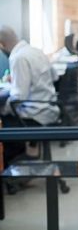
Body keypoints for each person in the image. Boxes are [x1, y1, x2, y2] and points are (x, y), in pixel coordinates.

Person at [0, 25, 60, 167]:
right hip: (50, 109)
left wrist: (3, 109)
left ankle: (13, 168)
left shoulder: (18, 58)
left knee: (4, 122)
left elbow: (18, 97)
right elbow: (55, 77)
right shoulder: (35, 51)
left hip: (35, 114)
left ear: (2, 45)